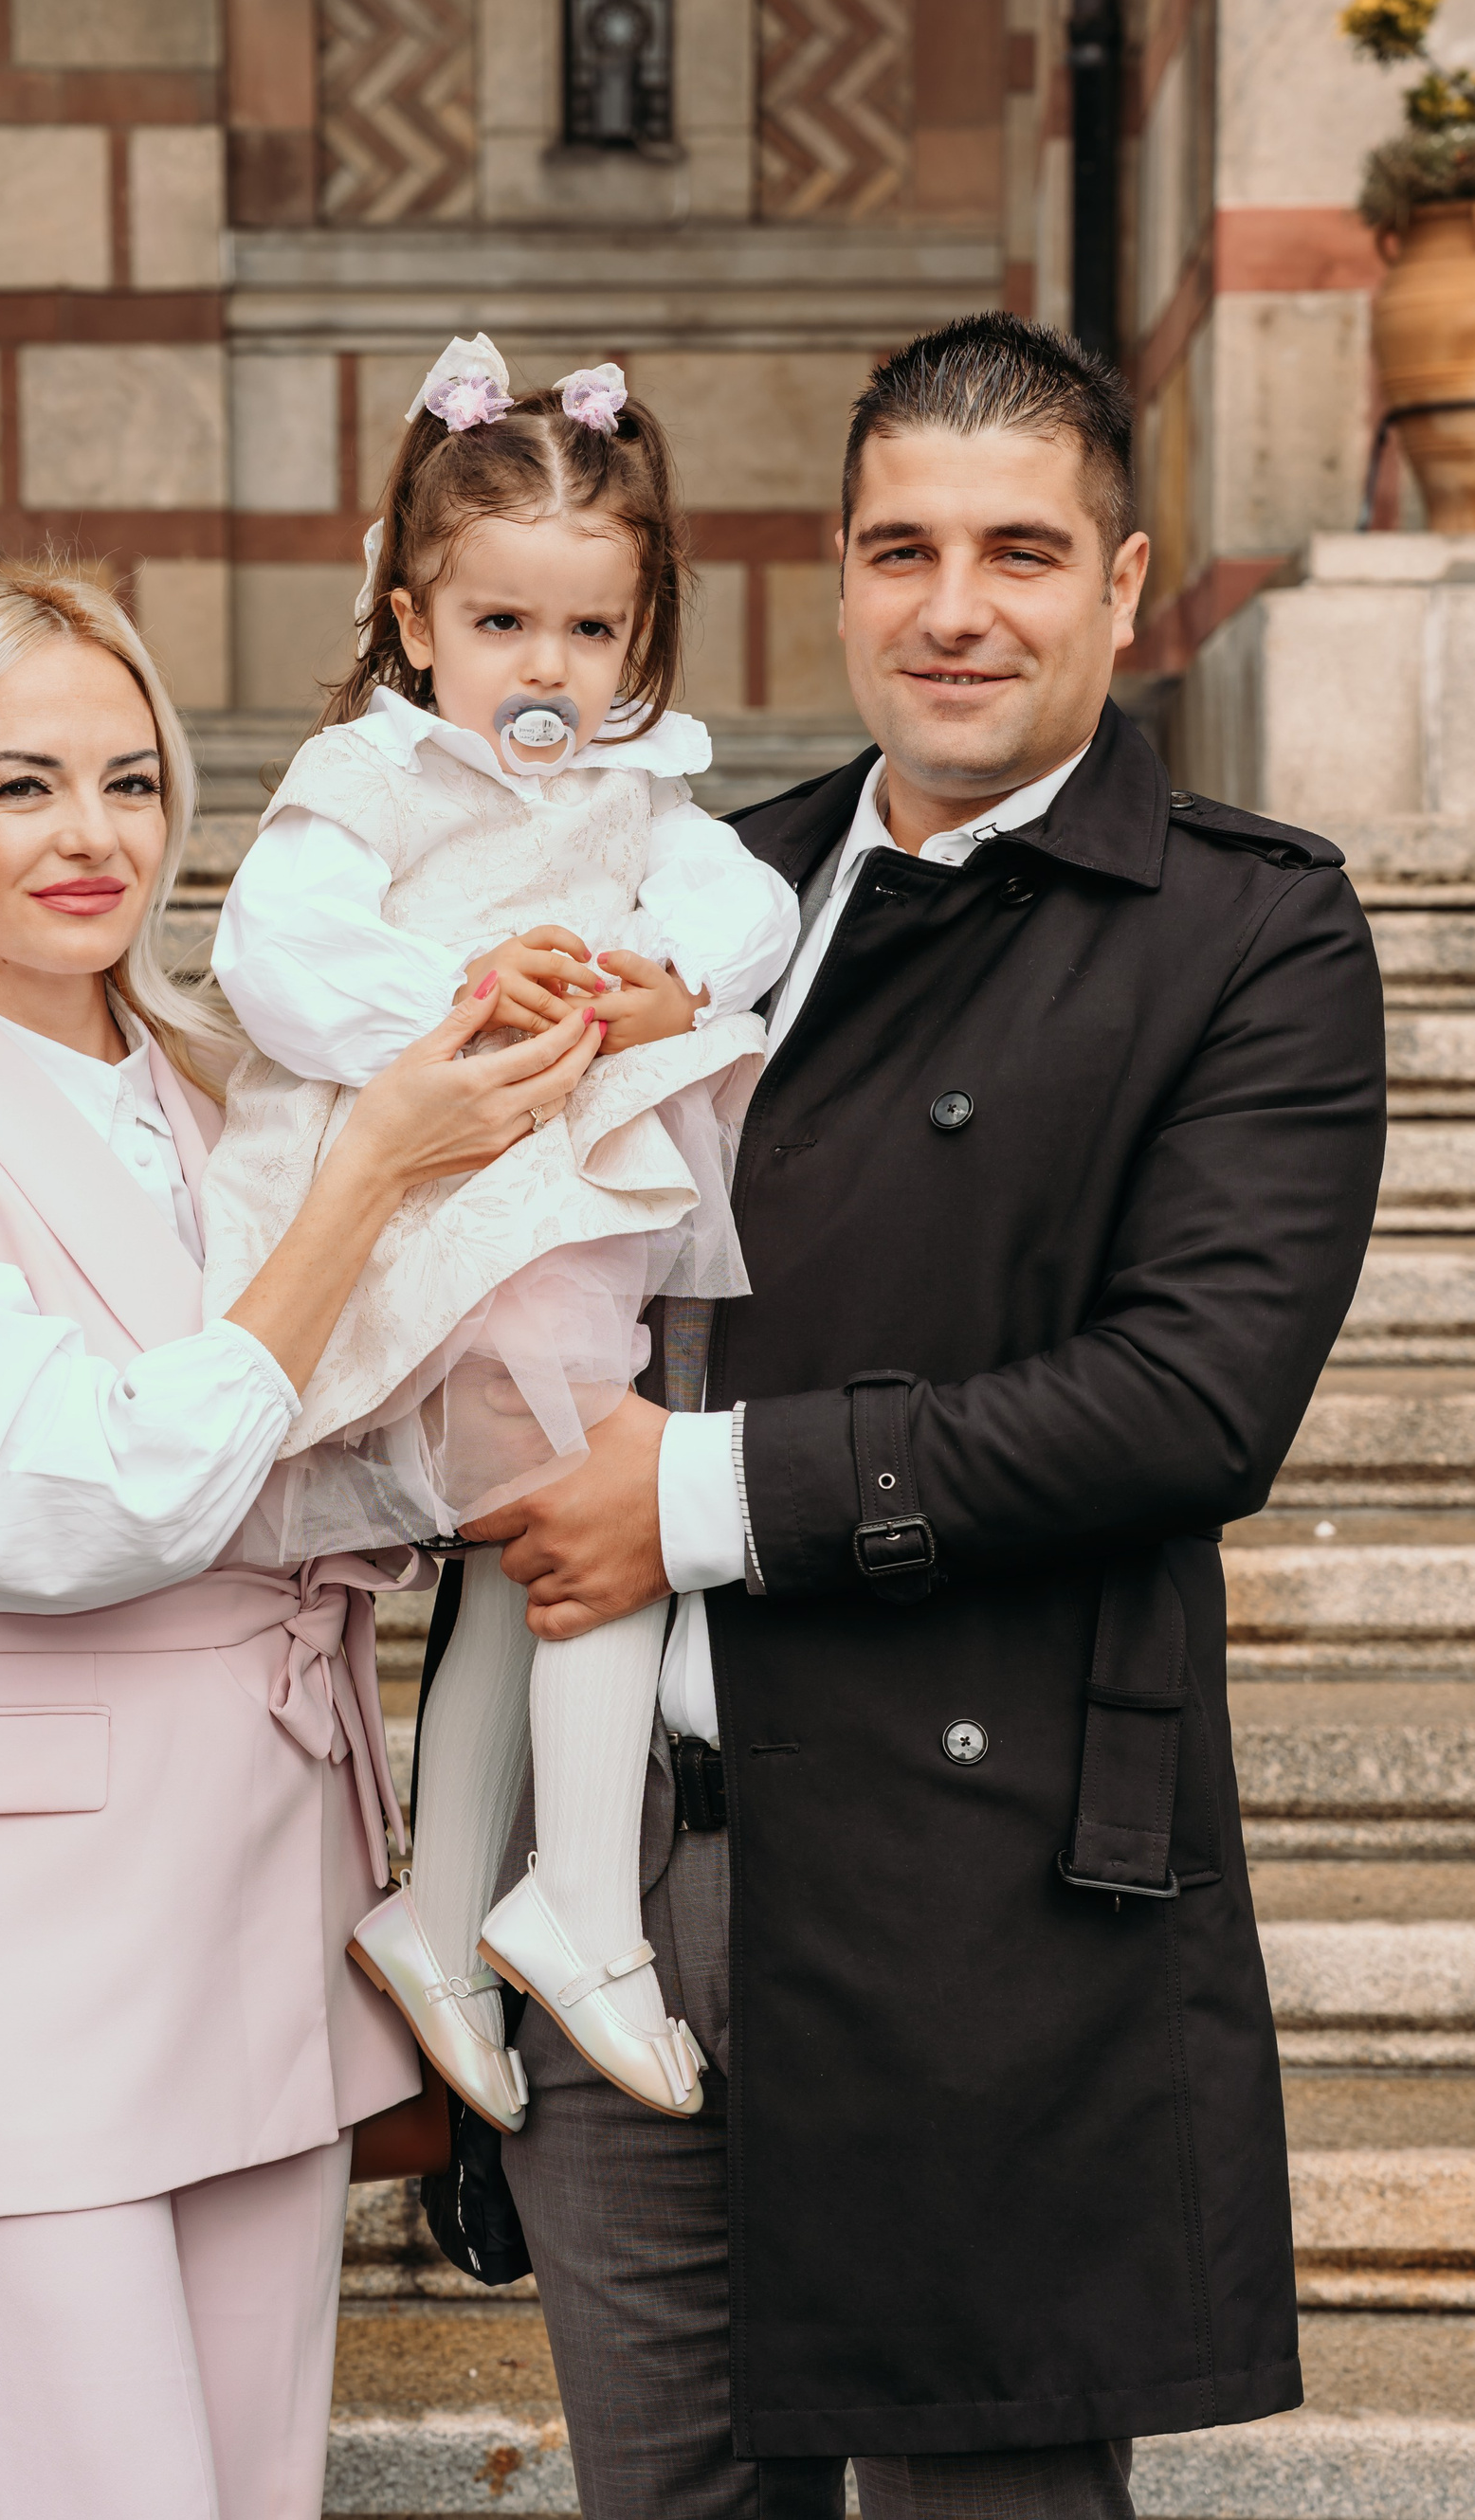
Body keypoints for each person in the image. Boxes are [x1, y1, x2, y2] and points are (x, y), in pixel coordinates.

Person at [452, 315, 1389, 2517]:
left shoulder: (1248, 932)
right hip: (628, 1879)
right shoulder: (707, 887)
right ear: (840, 572)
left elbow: (1190, 1398)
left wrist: (700, 1490)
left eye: (1019, 551)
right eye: (904, 550)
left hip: (984, 1898)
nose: (955, 608)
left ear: (1123, 583)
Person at [0, 561, 600, 2520]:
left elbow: (338, 1459)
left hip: (266, 1895)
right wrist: (369, 1177)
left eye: (131, 781)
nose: (93, 836)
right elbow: (86, 1501)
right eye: (21, 785)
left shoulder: (231, 1090)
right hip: (17, 1946)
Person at [201, 335, 796, 2128]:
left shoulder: (636, 789)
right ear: (414, 622)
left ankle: (446, 1912)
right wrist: (457, 995)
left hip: (559, 1214)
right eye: (502, 624)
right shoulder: (373, 779)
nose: (547, 668)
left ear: (640, 632)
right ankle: (583, 1908)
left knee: (536, 1550)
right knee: (612, 1514)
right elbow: (276, 952)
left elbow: (748, 904)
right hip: (440, 1211)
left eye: (590, 630)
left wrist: (673, 974)